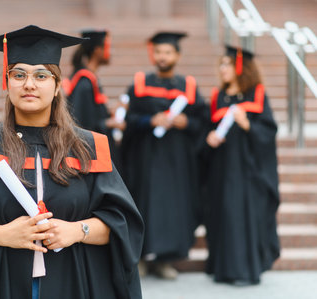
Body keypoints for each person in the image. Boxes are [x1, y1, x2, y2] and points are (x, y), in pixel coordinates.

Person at [0, 25, 144, 299]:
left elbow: (121, 221)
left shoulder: (88, 147)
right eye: (19, 74)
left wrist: (77, 230)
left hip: (73, 282)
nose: (29, 84)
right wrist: (3, 235)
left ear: (57, 86)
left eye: (41, 75)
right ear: (8, 83)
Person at [120, 31, 208, 279]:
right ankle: (141, 259)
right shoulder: (139, 83)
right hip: (146, 160)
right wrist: (150, 120)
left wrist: (185, 122)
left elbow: (201, 121)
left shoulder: (188, 86)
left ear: (177, 55)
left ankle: (165, 261)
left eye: (167, 52)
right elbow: (129, 120)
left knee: (173, 209)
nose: (162, 56)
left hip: (177, 162)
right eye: (158, 52)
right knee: (143, 206)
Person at [203, 45, 280, 285]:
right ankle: (223, 269)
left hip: (248, 171)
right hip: (222, 170)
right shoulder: (219, 97)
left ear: (240, 67)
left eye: (227, 64)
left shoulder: (256, 95)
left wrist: (248, 125)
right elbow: (205, 129)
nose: (222, 69)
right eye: (221, 64)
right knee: (223, 215)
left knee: (245, 216)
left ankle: (246, 271)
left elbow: (268, 132)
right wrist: (209, 138)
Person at [63, 29, 125, 170]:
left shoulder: (88, 78)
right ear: (97, 50)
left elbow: (91, 113)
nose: (110, 53)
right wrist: (108, 123)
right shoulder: (84, 82)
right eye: (108, 48)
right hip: (91, 155)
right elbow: (81, 122)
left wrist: (108, 112)